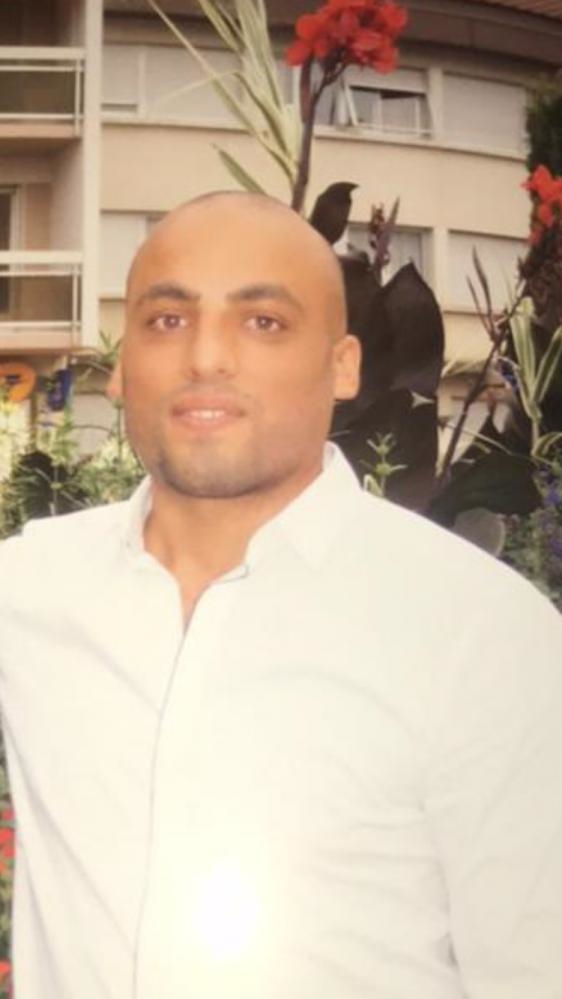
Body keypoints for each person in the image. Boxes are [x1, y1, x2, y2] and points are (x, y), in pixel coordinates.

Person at [0, 191, 561, 999]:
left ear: (344, 365)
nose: (206, 356)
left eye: (263, 321)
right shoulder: (33, 589)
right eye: (167, 319)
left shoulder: (482, 637)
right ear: (121, 365)